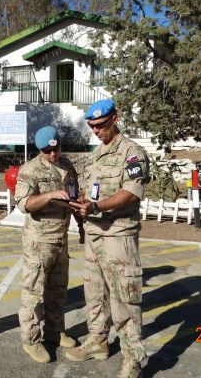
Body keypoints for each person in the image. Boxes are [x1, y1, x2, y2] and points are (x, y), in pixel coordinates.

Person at [66, 99, 149, 378]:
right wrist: (79, 200)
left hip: (118, 235)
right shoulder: (96, 154)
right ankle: (98, 341)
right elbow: (92, 191)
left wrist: (97, 206)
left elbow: (132, 193)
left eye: (101, 125)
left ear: (115, 119)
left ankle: (133, 359)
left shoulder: (132, 153)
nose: (97, 131)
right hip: (94, 233)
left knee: (125, 298)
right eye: (92, 127)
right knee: (95, 293)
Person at [15, 126, 79, 363]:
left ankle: (54, 331)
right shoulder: (30, 170)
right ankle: (31, 340)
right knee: (33, 294)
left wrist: (82, 225)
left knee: (57, 290)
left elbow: (74, 195)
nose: (53, 154)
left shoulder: (67, 165)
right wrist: (50, 195)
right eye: (47, 151)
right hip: (39, 242)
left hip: (61, 239)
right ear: (40, 150)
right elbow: (24, 204)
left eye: (56, 148)